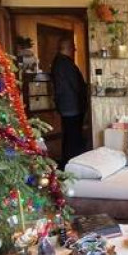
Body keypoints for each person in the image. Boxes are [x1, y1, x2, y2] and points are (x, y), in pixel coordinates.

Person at [51, 36, 88, 168]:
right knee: (73, 135)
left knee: (69, 134)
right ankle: (72, 163)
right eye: (73, 47)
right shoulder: (65, 64)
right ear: (68, 48)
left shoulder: (58, 62)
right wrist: (85, 95)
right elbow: (76, 85)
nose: (75, 50)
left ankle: (68, 162)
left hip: (66, 105)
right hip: (71, 106)